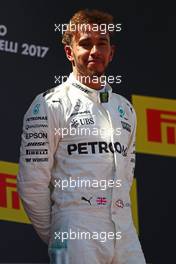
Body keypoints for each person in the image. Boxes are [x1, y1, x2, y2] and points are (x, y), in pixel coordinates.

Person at [17, 9, 146, 264]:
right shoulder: (49, 104)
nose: (95, 51)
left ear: (111, 53)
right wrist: (61, 232)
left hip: (125, 231)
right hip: (76, 229)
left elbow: (126, 177)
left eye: (102, 44)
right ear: (69, 52)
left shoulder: (126, 109)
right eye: (85, 44)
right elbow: (31, 185)